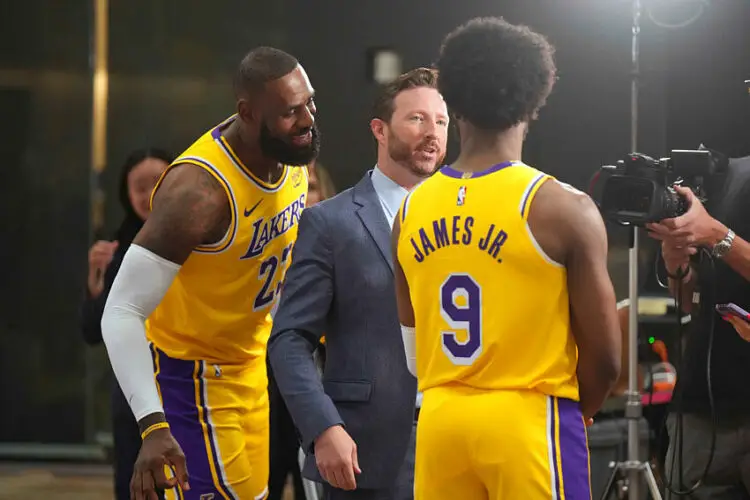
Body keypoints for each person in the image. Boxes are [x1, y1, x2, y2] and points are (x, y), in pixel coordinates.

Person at [392, 18, 621, 499]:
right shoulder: (563, 208)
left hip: (440, 420)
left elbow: (413, 353)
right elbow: (606, 362)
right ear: (534, 101)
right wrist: (575, 414)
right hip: (529, 421)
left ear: (451, 102)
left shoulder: (409, 208)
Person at [100, 46, 317, 500]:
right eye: (291, 112)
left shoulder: (292, 154)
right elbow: (119, 310)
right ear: (248, 113)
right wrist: (152, 424)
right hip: (191, 379)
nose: (307, 120)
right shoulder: (199, 192)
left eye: (310, 102)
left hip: (250, 367)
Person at [267, 67, 448, 500]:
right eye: (417, 118)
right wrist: (323, 426)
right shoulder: (330, 223)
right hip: (364, 448)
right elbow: (289, 338)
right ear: (379, 130)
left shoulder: (466, 216)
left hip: (460, 439)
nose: (433, 133)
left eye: (441, 121)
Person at [647, 153, 750, 499]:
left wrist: (718, 236)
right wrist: (677, 262)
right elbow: (689, 298)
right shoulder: (730, 174)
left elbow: (718, 239)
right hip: (703, 402)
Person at [81, 148, 171, 500]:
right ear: (125, 192)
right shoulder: (115, 253)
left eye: (158, 183)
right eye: (139, 186)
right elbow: (91, 331)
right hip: (132, 395)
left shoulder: (200, 244)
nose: (149, 195)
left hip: (188, 382)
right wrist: (94, 280)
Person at [268, 163, 336, 500]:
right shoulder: (256, 246)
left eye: (308, 186)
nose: (299, 196)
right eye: (289, 188)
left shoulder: (339, 243)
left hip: (316, 373)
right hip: (261, 379)